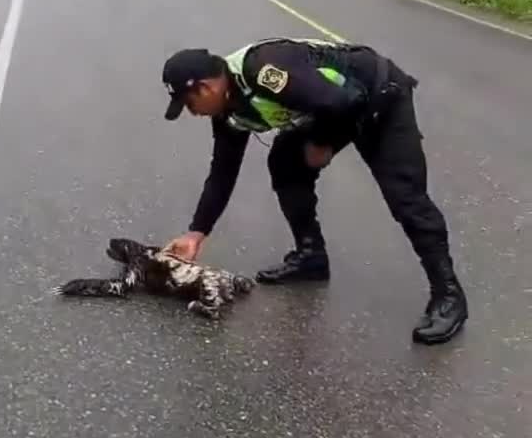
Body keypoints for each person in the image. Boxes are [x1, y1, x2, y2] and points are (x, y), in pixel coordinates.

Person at [161, 38, 468, 345]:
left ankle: (449, 295)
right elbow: (222, 173)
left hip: (377, 95)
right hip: (334, 106)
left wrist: (322, 143)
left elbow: (341, 101)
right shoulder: (228, 112)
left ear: (204, 88)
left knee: (406, 198)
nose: (192, 112)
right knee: (285, 163)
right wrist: (196, 233)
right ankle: (311, 256)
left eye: (188, 104)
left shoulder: (263, 70)